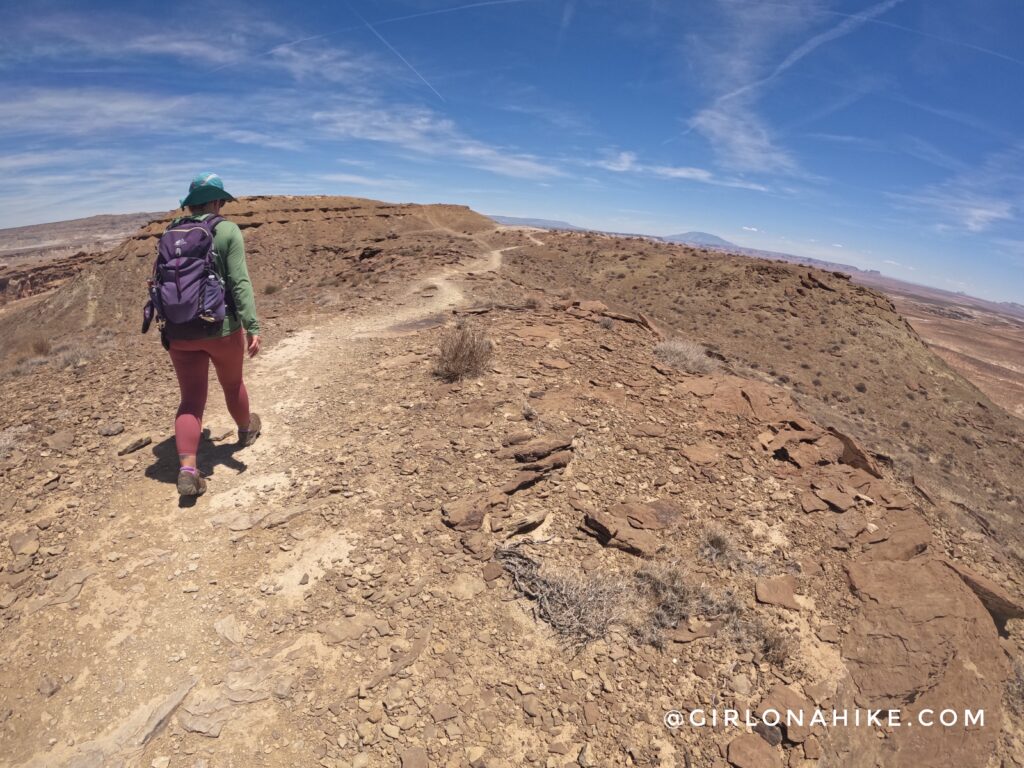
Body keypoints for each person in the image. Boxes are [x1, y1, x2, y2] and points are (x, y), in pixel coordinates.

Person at [165, 172, 262, 497]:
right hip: (221, 328)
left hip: (179, 331)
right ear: (218, 201)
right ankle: (246, 430)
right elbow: (239, 282)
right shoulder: (227, 230)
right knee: (232, 384)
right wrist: (252, 325)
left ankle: (188, 469)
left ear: (191, 204)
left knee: (191, 400)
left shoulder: (171, 231)